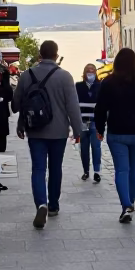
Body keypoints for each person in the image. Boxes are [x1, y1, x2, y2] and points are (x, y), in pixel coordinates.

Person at [12, 40, 83, 228]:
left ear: (39, 55)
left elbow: (17, 104)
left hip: (34, 130)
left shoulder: (27, 75)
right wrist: (78, 131)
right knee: (55, 168)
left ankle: (40, 203)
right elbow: (73, 107)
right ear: (56, 54)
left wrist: (20, 123)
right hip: (58, 131)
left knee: (38, 169)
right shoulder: (65, 76)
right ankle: (53, 206)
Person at [94, 47, 135, 223]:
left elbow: (100, 109)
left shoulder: (108, 83)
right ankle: (131, 201)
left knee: (122, 170)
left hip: (117, 132)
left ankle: (126, 205)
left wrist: (100, 128)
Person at [76, 63, 102, 183]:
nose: (90, 73)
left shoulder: (100, 86)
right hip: (82, 121)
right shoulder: (78, 86)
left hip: (95, 122)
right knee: (84, 148)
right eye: (88, 71)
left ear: (96, 72)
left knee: (96, 147)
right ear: (84, 72)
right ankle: (86, 171)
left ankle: (97, 171)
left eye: (92, 70)